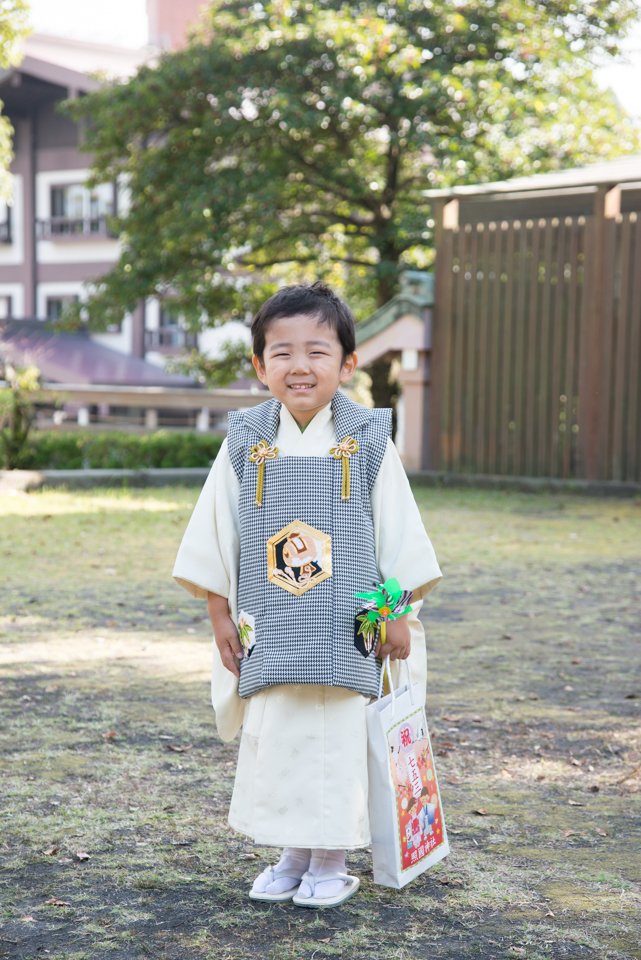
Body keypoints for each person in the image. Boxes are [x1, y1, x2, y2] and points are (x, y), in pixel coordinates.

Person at [173, 281, 442, 908]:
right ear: (259, 365)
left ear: (348, 363)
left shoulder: (368, 439)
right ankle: (292, 852)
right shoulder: (246, 441)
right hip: (272, 622)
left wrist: (398, 613)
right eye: (283, 352)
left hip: (353, 625)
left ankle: (331, 858)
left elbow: (396, 530)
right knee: (282, 732)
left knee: (340, 733)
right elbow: (218, 529)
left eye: (318, 352)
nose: (300, 366)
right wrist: (219, 614)